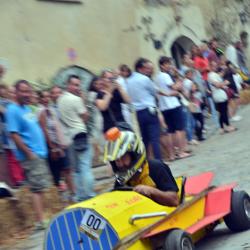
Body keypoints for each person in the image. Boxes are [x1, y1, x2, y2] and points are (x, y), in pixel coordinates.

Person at [5, 80, 51, 230]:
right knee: (37, 189)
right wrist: (28, 152)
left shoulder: (26, 108)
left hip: (39, 153)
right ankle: (40, 221)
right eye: (23, 91)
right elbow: (14, 134)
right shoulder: (13, 110)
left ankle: (42, 216)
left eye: (28, 91)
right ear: (16, 92)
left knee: (41, 187)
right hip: (31, 155)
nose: (27, 94)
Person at [104, 127, 179, 207]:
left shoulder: (156, 167)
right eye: (117, 161)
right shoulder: (121, 181)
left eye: (123, 158)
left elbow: (174, 201)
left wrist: (151, 191)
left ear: (135, 155)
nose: (121, 164)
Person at [58, 75, 95, 202]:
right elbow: (85, 116)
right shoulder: (76, 99)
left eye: (78, 85)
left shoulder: (60, 100)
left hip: (69, 137)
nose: (77, 87)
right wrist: (82, 100)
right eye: (75, 84)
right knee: (85, 166)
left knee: (76, 169)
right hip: (80, 133)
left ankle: (79, 196)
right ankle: (89, 194)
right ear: (68, 85)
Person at [39, 89, 74, 197]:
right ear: (40, 99)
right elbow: (45, 130)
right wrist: (52, 148)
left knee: (66, 169)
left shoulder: (50, 110)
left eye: (47, 96)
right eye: (43, 97)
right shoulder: (41, 112)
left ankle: (73, 193)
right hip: (51, 146)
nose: (46, 99)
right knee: (57, 174)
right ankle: (62, 197)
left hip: (58, 145)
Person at [155, 56, 190, 161]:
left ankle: (172, 154)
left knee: (170, 131)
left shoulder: (157, 77)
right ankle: (181, 152)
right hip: (173, 105)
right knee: (179, 129)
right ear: (162, 65)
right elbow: (175, 87)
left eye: (169, 64)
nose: (169, 66)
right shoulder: (165, 75)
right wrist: (179, 80)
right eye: (167, 64)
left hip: (164, 107)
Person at [208, 62, 236, 134]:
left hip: (220, 94)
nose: (215, 67)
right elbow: (217, 85)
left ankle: (222, 128)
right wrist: (225, 83)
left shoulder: (214, 74)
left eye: (215, 65)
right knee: (223, 111)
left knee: (221, 112)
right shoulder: (211, 75)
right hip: (219, 95)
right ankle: (228, 126)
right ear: (210, 67)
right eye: (213, 66)